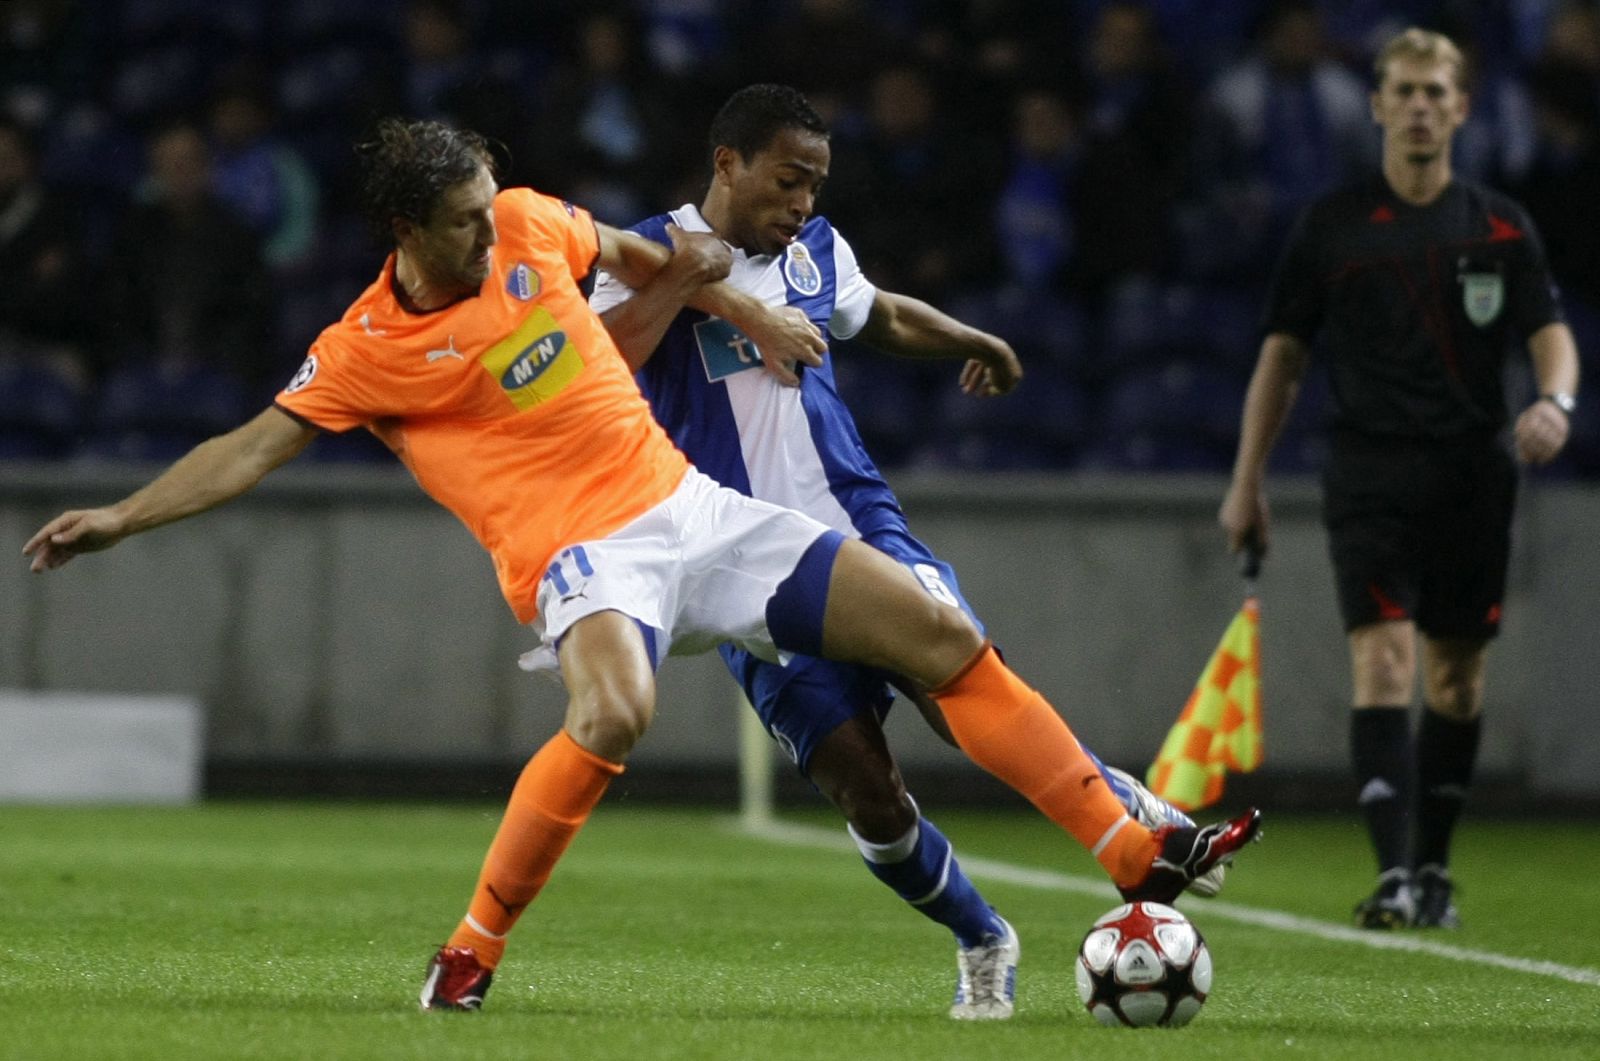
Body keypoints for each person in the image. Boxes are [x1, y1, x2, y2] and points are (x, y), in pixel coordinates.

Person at [24, 118, 1259, 1014]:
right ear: (406, 230)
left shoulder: (525, 220)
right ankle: (471, 948)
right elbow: (247, 447)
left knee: (938, 633)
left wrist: (735, 301)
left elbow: (639, 253)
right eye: (464, 219)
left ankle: (1127, 850)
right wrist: (122, 517)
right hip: (580, 555)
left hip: (692, 510)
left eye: (492, 204)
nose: (493, 227)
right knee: (615, 711)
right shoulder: (362, 349)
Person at [591, 83, 1222, 1022]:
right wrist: (688, 284)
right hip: (740, 575)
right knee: (869, 796)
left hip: (856, 526)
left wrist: (977, 339)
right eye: (788, 179)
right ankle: (983, 933)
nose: (803, 201)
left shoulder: (816, 251)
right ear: (729, 163)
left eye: (815, 183)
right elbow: (597, 362)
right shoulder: (645, 252)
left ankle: (1115, 811)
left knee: (946, 670)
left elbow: (878, 314)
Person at [1218, 29, 1579, 931]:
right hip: (1369, 472)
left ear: (1461, 108)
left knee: (1456, 679)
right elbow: (1282, 357)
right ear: (1377, 105)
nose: (1420, 106)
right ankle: (1392, 877)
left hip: (1473, 475)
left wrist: (1557, 401)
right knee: (1382, 659)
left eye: (1435, 92)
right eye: (1405, 91)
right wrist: (1246, 479)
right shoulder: (1332, 227)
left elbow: (1550, 334)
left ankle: (1432, 865)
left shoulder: (1500, 226)